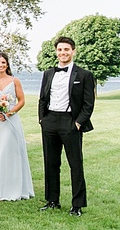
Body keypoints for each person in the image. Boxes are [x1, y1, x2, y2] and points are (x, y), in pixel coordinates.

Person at [38, 36, 95, 217]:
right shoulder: (48, 73)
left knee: (75, 164)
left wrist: (78, 123)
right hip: (50, 121)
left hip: (70, 122)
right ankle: (52, 200)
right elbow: (42, 98)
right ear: (56, 52)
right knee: (51, 163)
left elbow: (88, 103)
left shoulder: (84, 75)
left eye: (66, 50)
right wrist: (42, 120)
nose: (63, 53)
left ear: (73, 51)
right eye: (60, 50)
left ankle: (77, 205)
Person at [0, 53, 34, 201]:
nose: (0, 65)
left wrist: (10, 113)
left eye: (3, 63)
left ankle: (15, 188)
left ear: (7, 65)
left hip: (11, 121)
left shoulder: (14, 81)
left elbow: (22, 100)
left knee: (10, 151)